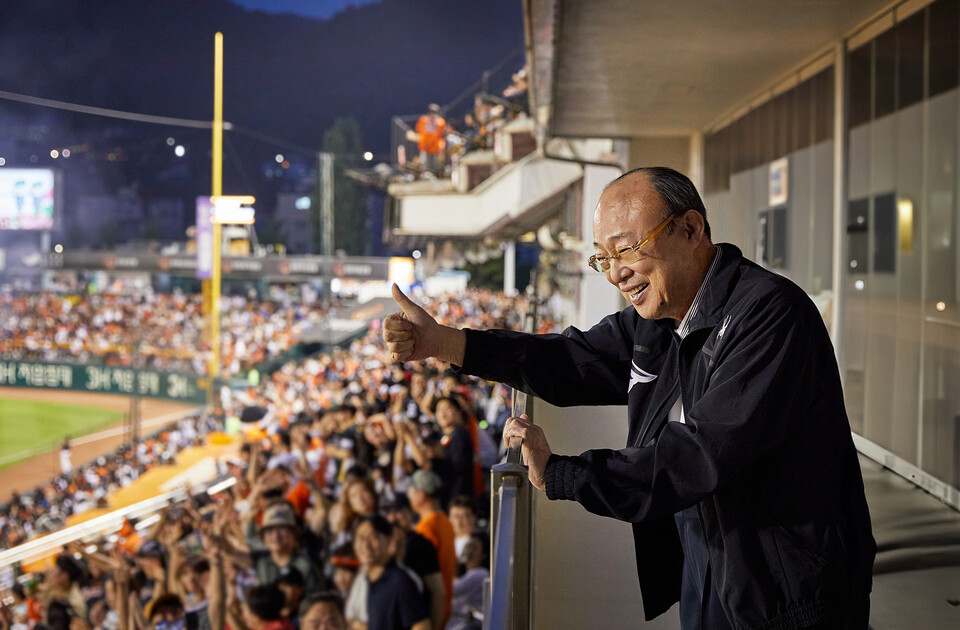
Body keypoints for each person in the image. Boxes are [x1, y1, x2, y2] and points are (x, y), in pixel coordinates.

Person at [383, 166, 876, 629]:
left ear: (690, 228)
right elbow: (568, 362)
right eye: (603, 258)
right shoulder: (654, 321)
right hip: (711, 566)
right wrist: (445, 343)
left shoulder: (770, 316)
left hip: (790, 593)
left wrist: (563, 473)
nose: (616, 273)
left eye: (627, 248)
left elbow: (696, 457)